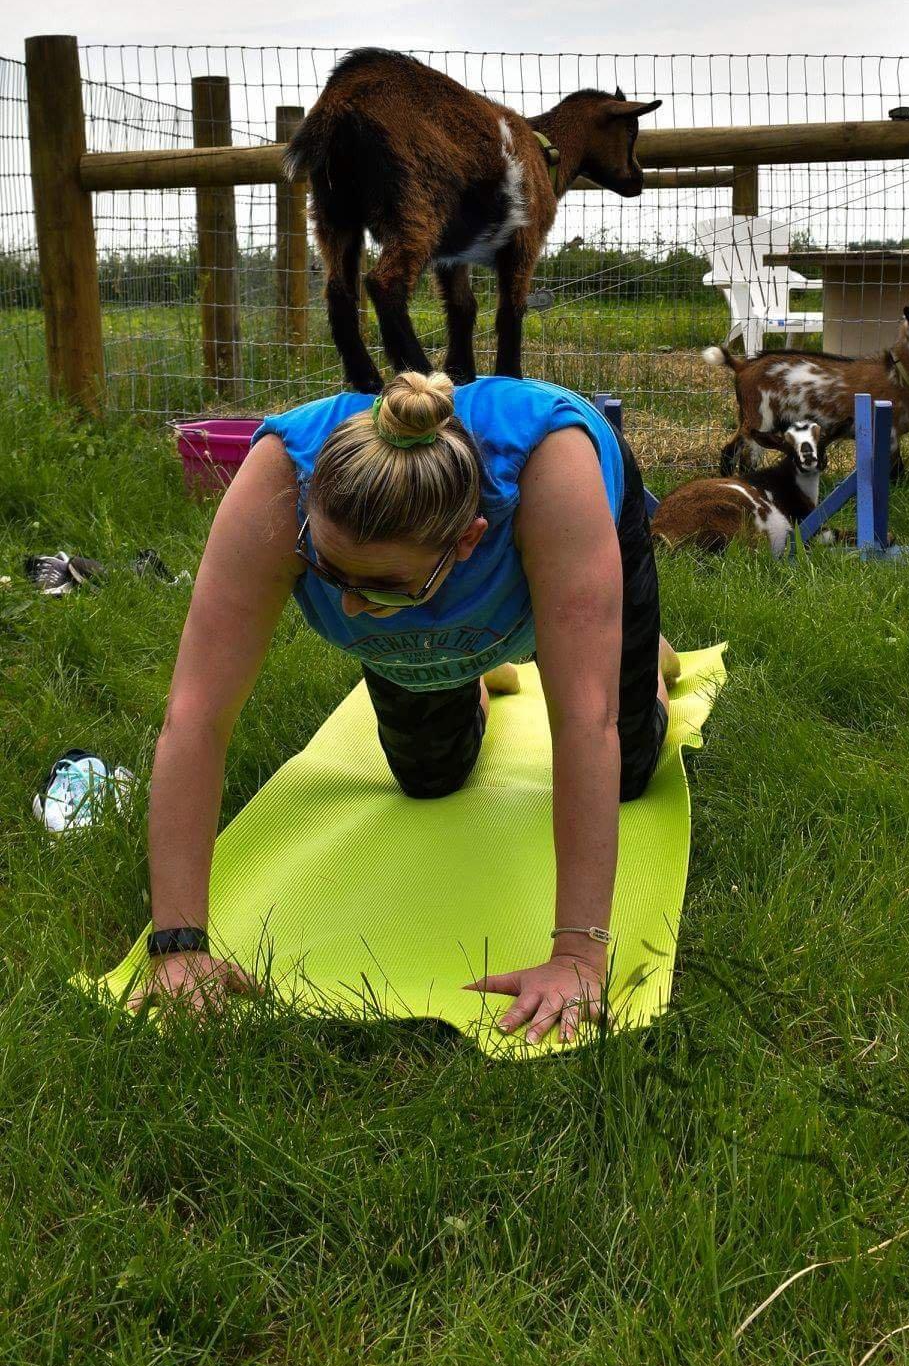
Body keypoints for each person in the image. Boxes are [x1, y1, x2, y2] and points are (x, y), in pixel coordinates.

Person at [133, 370, 678, 1045]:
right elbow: (195, 716)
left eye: (384, 586)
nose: (355, 607)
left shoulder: (554, 474)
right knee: (429, 778)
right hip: (449, 590)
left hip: (568, 531)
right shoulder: (278, 483)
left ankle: (637, 655)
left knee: (629, 764)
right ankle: (479, 662)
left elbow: (583, 723)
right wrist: (179, 947)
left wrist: (577, 956)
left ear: (469, 542)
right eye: (333, 575)